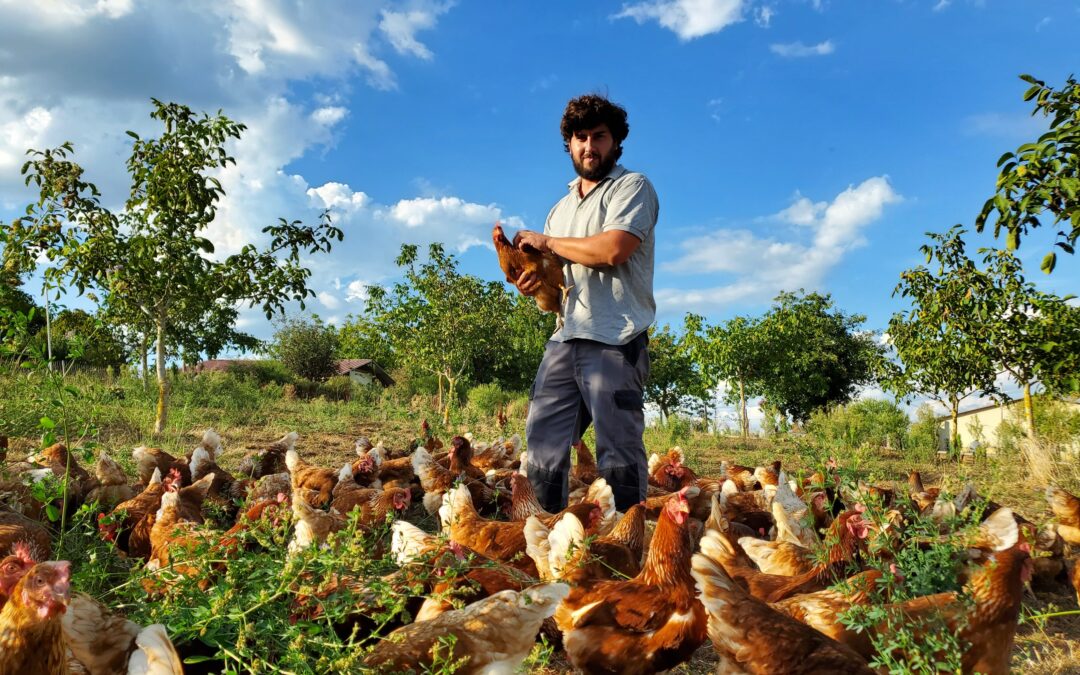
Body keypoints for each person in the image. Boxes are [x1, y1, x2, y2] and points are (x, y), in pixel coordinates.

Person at [512, 94, 659, 512]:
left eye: (599, 137)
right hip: (566, 336)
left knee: (617, 450)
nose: (589, 147)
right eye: (581, 138)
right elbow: (552, 296)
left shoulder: (632, 188)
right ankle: (544, 541)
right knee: (542, 444)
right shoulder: (559, 210)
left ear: (615, 143)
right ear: (569, 143)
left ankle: (629, 544)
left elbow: (613, 249)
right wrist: (534, 283)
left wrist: (548, 243)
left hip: (614, 338)